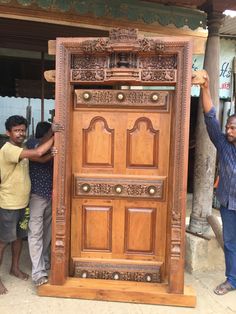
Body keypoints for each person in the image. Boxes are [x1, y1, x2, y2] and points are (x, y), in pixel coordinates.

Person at [0, 115, 54, 295]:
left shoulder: (21, 148)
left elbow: (40, 158)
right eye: (16, 130)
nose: (20, 133)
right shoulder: (9, 150)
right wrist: (55, 132)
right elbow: (38, 153)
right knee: (3, 242)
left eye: (22, 130)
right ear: (8, 133)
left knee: (18, 239)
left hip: (23, 205)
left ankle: (14, 268)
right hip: (8, 204)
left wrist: (52, 153)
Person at [198, 72, 236, 295]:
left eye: (232, 128)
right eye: (228, 127)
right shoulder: (223, 145)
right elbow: (211, 117)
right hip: (228, 205)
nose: (228, 131)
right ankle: (232, 280)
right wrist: (206, 88)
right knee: (230, 243)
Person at [26, 122, 55, 287]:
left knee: (47, 233)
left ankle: (43, 261)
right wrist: (53, 134)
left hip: (50, 196)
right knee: (36, 233)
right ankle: (38, 273)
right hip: (37, 196)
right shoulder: (32, 143)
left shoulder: (53, 147)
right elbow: (41, 154)